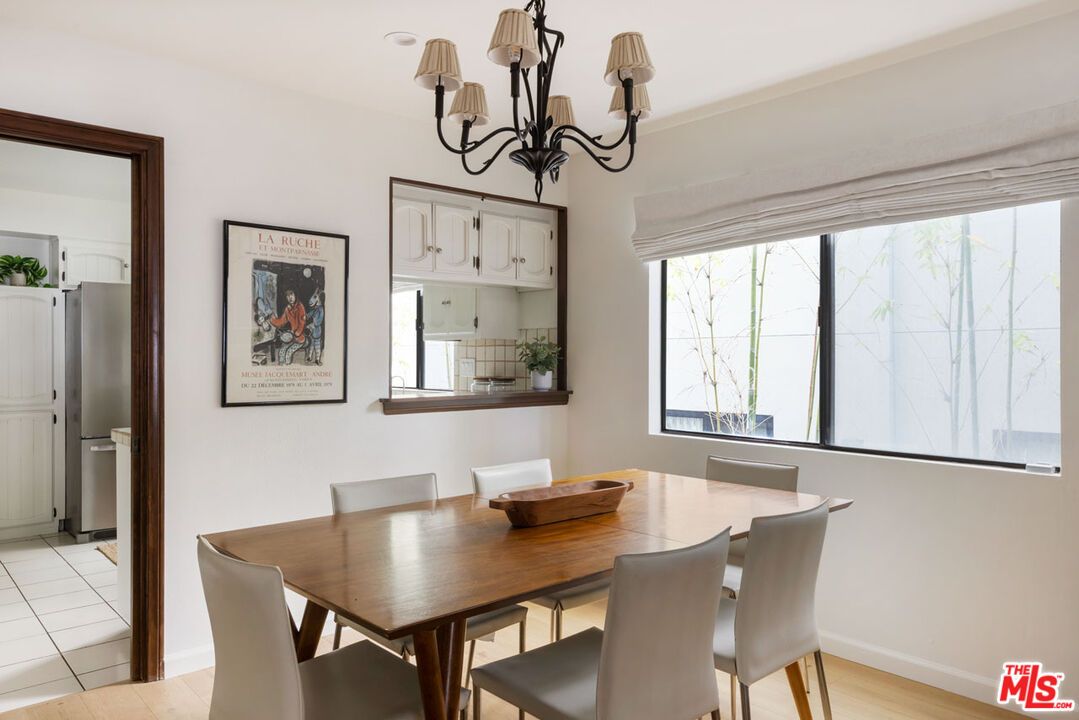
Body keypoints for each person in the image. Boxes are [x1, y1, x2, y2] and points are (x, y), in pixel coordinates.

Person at [269, 289, 306, 364]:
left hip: (299, 338)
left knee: (288, 353)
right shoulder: (287, 309)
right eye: (288, 296)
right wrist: (272, 320)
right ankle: (282, 367)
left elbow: (302, 323)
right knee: (281, 351)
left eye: (291, 295)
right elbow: (281, 321)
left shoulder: (300, 307)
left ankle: (287, 367)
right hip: (291, 337)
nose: (290, 297)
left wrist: (296, 333)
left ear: (295, 295)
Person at [306, 289, 325, 365]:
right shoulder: (316, 309)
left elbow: (319, 320)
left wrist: (314, 324)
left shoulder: (321, 309)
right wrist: (307, 316)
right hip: (313, 331)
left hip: (317, 330)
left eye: (315, 297)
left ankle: (317, 359)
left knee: (317, 345)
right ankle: (309, 357)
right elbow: (311, 313)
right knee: (311, 344)